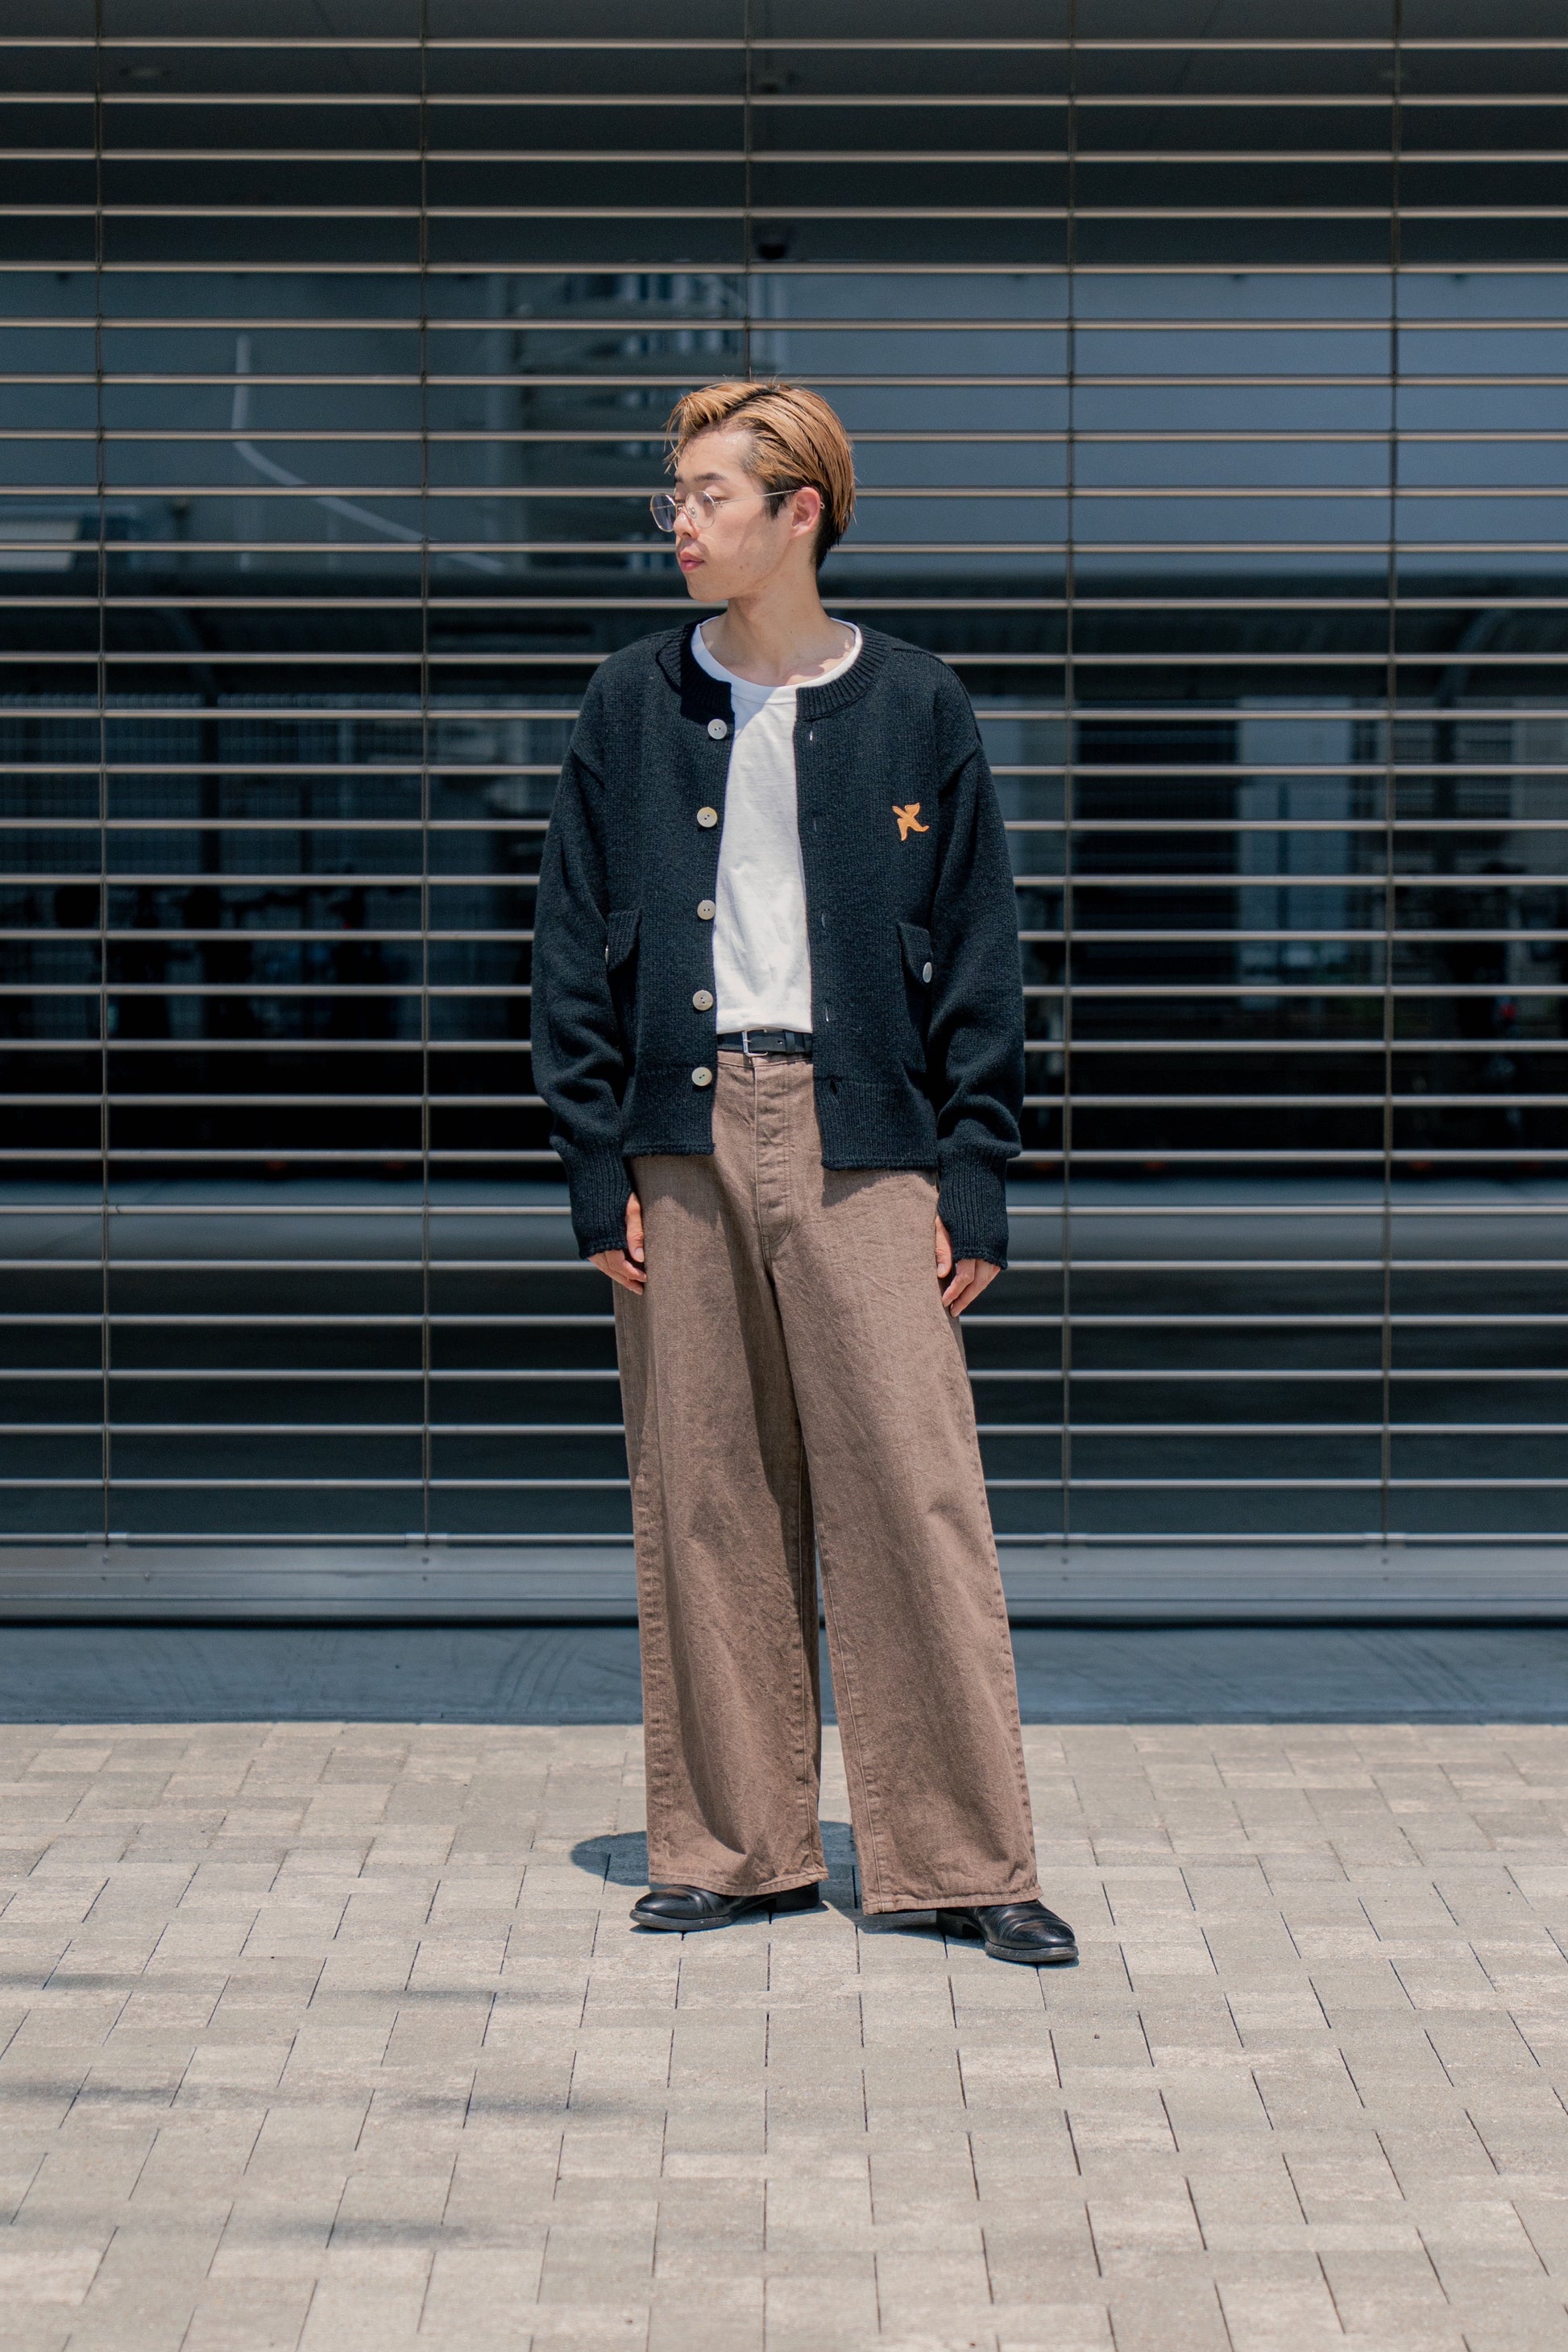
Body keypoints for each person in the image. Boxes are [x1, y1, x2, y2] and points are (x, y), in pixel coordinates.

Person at [531, 380, 1074, 1967]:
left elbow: (980, 948)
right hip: (681, 1137)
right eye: (675, 494)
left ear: (798, 515)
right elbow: (568, 942)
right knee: (705, 1495)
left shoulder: (915, 704)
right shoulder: (629, 702)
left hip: (868, 1141)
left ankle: (963, 1857)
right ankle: (731, 1846)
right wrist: (592, 1158)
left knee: (913, 1493)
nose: (679, 521)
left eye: (708, 494)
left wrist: (975, 1169)